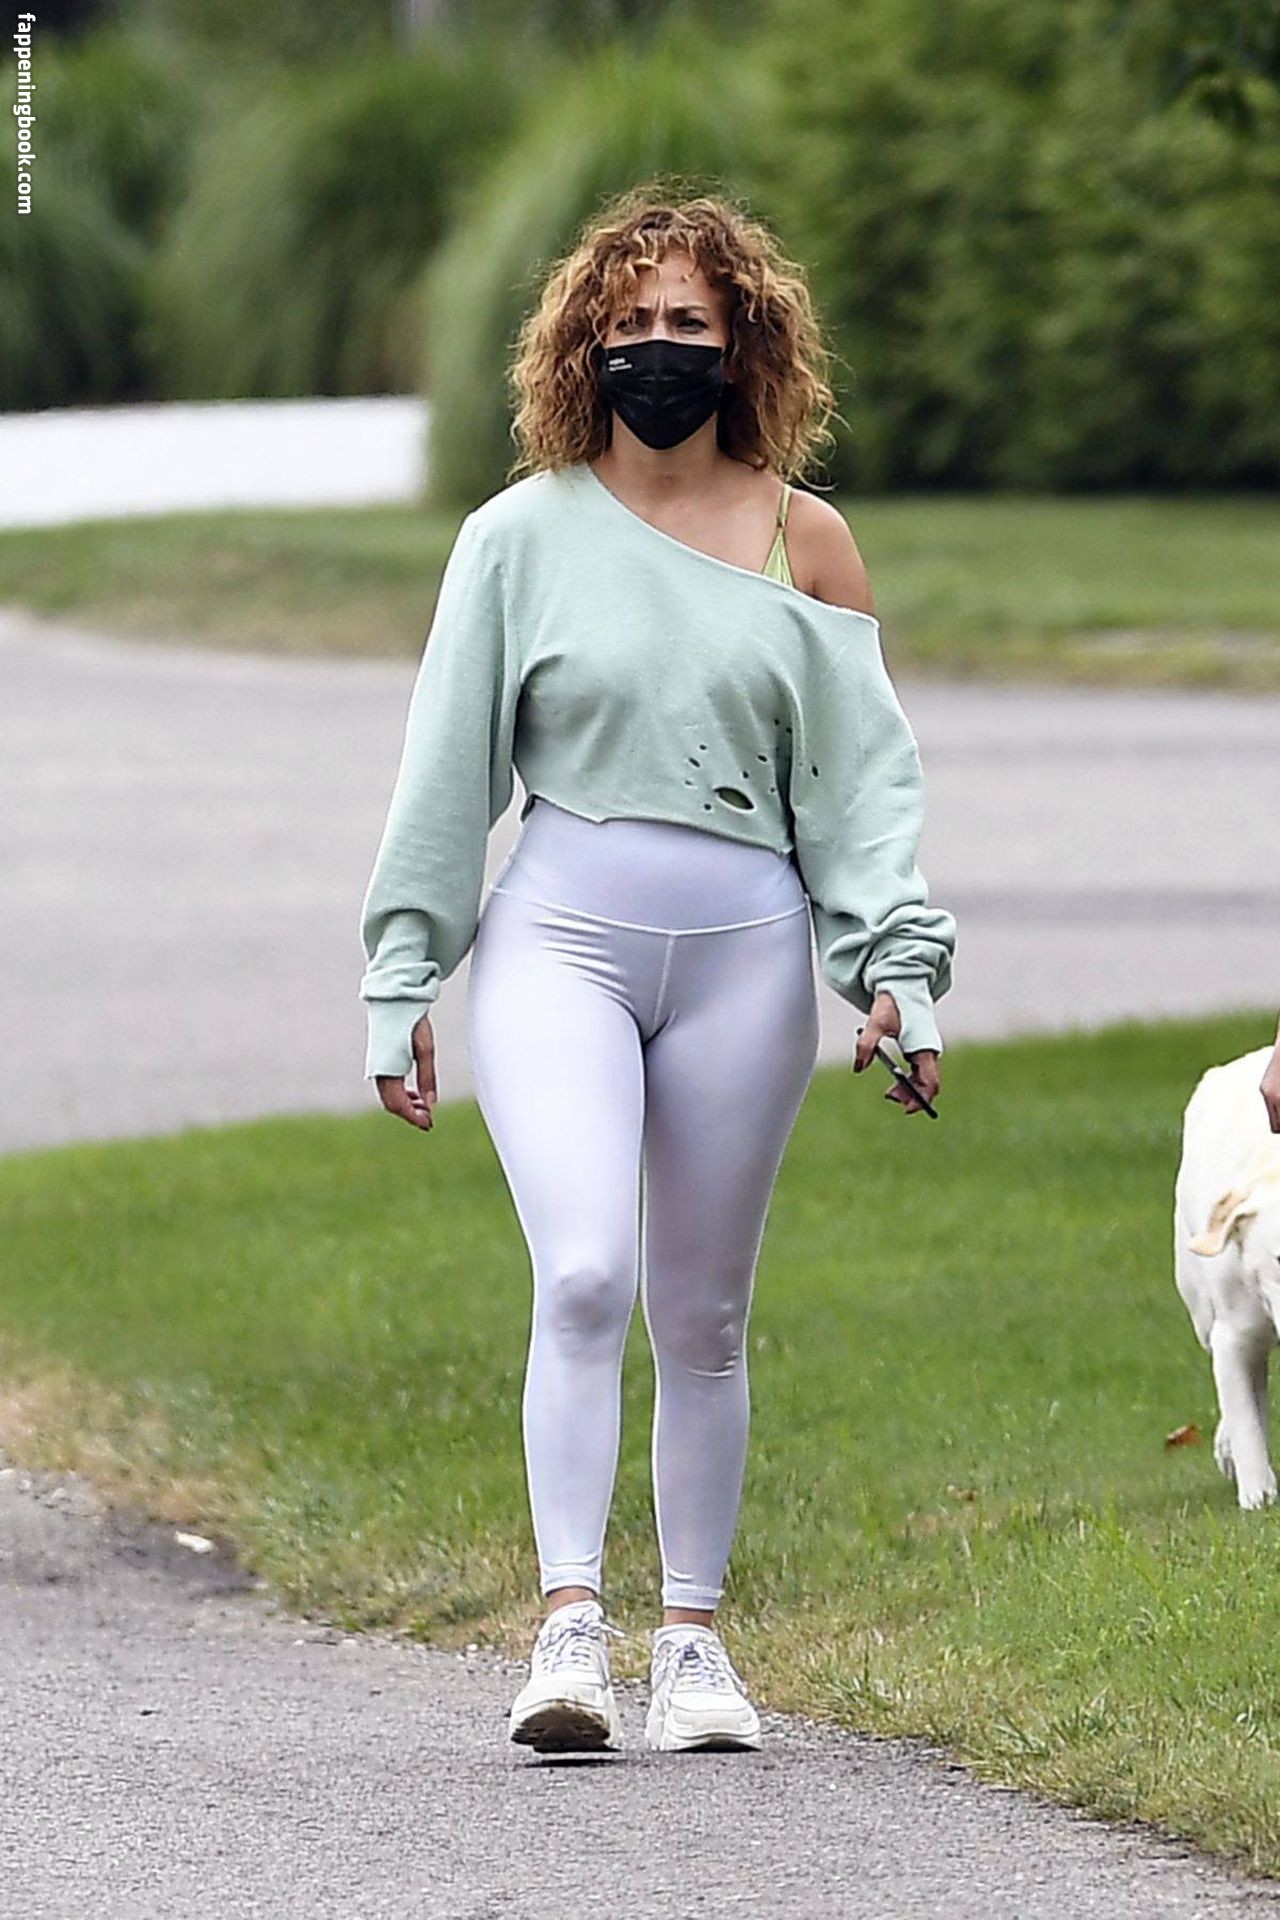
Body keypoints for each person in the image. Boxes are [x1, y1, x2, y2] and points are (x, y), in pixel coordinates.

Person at [358, 186, 957, 1755]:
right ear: (584, 345)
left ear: (742, 342)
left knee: (703, 1312)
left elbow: (863, 795)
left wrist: (898, 975)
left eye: (689, 322)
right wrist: (402, 978)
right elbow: (446, 777)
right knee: (583, 1275)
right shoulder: (516, 539)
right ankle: (570, 1628)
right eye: (628, 324)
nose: (658, 347)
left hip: (746, 955)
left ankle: (693, 1644)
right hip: (561, 939)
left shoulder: (806, 541)